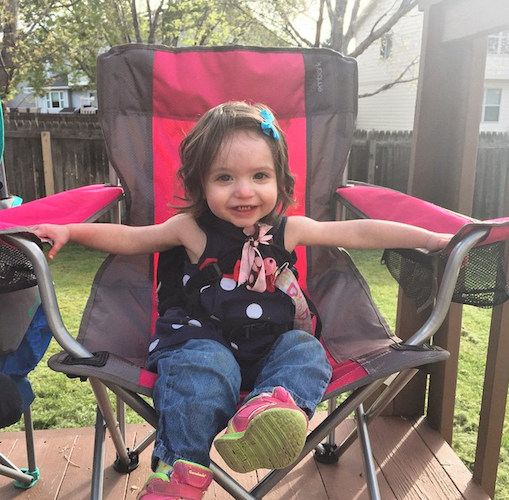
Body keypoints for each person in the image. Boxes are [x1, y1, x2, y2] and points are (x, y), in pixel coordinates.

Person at [32, 101, 453, 500]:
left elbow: (361, 234)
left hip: (271, 346)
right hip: (201, 341)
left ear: (280, 181)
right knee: (202, 373)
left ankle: (270, 412)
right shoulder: (189, 229)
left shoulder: (290, 230)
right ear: (201, 184)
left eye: (259, 176)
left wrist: (432, 239)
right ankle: (180, 472)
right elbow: (129, 238)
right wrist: (72, 230)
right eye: (224, 178)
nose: (243, 192)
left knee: (306, 351)